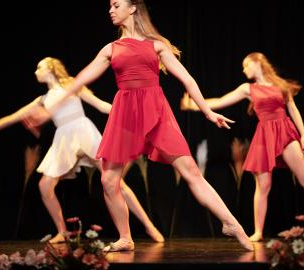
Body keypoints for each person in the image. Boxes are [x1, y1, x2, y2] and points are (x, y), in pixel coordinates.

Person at [23, 0, 254, 252]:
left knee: (190, 171)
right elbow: (79, 82)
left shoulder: (157, 46)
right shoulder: (110, 48)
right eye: (109, 6)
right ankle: (125, 237)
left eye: (115, 5)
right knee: (109, 180)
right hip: (125, 114)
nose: (110, 10)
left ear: (133, 8)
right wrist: (49, 113)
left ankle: (232, 224)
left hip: (156, 111)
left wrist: (208, 111)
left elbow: (187, 78)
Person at [0, 57, 164, 244]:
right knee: (45, 186)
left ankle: (149, 226)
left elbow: (100, 105)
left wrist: (127, 112)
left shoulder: (72, 85)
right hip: (64, 140)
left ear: (51, 68)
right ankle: (62, 231)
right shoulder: (42, 99)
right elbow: (14, 117)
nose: (36, 71)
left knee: (116, 183)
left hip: (84, 132)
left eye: (39, 67)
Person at [180, 52, 304, 241]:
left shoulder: (280, 85)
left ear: (257, 63)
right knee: (263, 186)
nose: (243, 69)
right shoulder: (247, 88)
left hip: (285, 130)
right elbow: (220, 101)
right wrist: (193, 105)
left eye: (246, 65)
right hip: (265, 135)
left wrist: (303, 134)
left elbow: (293, 109)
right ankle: (258, 231)